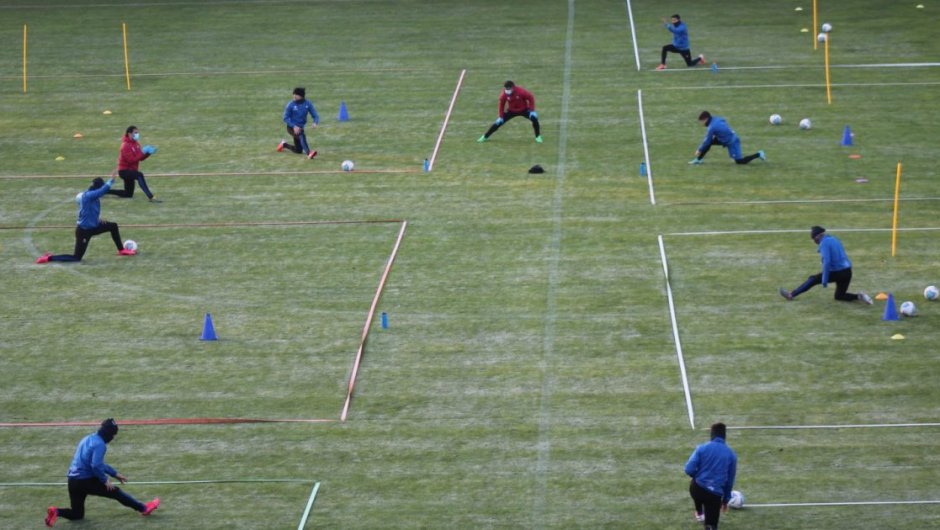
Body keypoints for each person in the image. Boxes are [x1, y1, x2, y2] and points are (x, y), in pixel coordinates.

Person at [44, 419, 159, 527]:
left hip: (73, 481)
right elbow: (95, 465)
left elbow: (95, 463)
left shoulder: (87, 438)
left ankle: (56, 512)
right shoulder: (100, 445)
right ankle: (144, 508)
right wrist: (105, 480)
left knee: (77, 514)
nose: (113, 438)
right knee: (116, 492)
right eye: (113, 435)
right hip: (85, 480)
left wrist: (114, 474)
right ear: (108, 434)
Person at [35, 177, 137, 264]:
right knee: (76, 258)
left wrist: (97, 220)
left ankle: (121, 250)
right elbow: (103, 191)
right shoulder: (88, 196)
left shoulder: (93, 197)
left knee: (113, 226)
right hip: (84, 231)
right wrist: (111, 181)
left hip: (94, 226)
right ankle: (49, 258)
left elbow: (89, 211)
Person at [779, 226, 874, 304]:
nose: (814, 241)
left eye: (814, 238)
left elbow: (827, 262)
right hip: (847, 272)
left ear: (818, 236)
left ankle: (791, 295)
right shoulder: (833, 239)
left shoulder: (824, 243)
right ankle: (859, 296)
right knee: (839, 296)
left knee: (813, 279)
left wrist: (824, 279)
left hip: (838, 272)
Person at [684, 422, 737, 530]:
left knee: (695, 483)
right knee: (711, 526)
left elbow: (688, 469)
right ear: (724, 436)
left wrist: (697, 476)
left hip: (696, 489)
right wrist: (726, 500)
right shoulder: (731, 455)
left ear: (711, 435)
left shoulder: (701, 448)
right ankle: (707, 522)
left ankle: (699, 513)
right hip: (714, 496)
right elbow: (729, 481)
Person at [477, 80, 542, 144]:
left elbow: (531, 98)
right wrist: (501, 116)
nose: (508, 91)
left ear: (513, 87)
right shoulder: (504, 94)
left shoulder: (521, 91)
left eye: (509, 89)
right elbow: (501, 104)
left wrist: (532, 110)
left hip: (524, 109)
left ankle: (538, 137)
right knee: (497, 123)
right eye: (506, 89)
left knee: (534, 119)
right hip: (511, 111)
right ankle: (485, 137)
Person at [107, 126, 160, 203]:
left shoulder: (136, 144)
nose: (137, 134)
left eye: (137, 132)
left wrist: (148, 153)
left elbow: (140, 158)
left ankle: (104, 191)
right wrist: (143, 152)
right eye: (135, 132)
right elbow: (131, 160)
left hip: (131, 171)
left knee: (128, 194)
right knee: (139, 175)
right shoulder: (125, 146)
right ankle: (150, 197)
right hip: (124, 171)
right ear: (129, 134)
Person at [689, 111, 765, 165]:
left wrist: (699, 150)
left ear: (706, 119)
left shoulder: (712, 127)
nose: (702, 124)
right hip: (723, 138)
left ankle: (759, 154)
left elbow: (707, 141)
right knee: (711, 142)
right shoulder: (716, 118)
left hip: (732, 142)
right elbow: (724, 121)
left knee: (739, 162)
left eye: (702, 121)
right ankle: (699, 160)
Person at [277, 87, 319, 159]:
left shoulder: (308, 103)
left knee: (298, 150)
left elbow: (315, 115)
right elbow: (285, 118)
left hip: (300, 128)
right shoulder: (290, 105)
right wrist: (294, 126)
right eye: (293, 94)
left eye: (296, 94)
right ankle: (309, 153)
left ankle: (284, 144)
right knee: (301, 135)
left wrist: (315, 122)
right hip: (291, 127)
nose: (294, 96)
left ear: (301, 96)